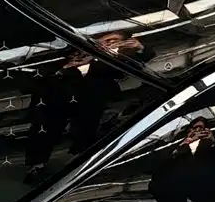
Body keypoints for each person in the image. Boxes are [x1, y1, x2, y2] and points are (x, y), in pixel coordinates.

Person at [24, 32, 151, 184]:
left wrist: (140, 48)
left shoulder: (112, 62)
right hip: (55, 104)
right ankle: (36, 167)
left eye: (114, 41)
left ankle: (80, 164)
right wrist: (65, 69)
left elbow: (140, 63)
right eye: (106, 40)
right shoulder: (64, 54)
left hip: (89, 105)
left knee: (85, 132)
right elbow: (36, 79)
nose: (108, 43)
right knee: (44, 133)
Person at [148, 118, 215, 202]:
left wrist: (213, 142)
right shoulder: (179, 145)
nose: (198, 131)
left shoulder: (209, 146)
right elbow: (162, 164)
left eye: (201, 128)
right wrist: (185, 144)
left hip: (212, 195)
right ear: (189, 130)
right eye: (195, 128)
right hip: (184, 196)